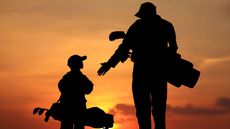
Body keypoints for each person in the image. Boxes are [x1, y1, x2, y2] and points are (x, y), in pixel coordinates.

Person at [98, 2, 178, 129]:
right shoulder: (166, 26)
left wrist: (109, 64)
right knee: (157, 109)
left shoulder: (138, 27)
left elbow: (123, 49)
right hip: (159, 73)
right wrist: (109, 64)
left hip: (143, 72)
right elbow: (173, 49)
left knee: (144, 109)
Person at [58, 54, 93, 129]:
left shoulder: (66, 77)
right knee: (78, 126)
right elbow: (89, 89)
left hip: (66, 107)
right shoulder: (81, 77)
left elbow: (60, 87)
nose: (82, 63)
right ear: (76, 64)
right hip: (78, 107)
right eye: (80, 61)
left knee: (66, 126)